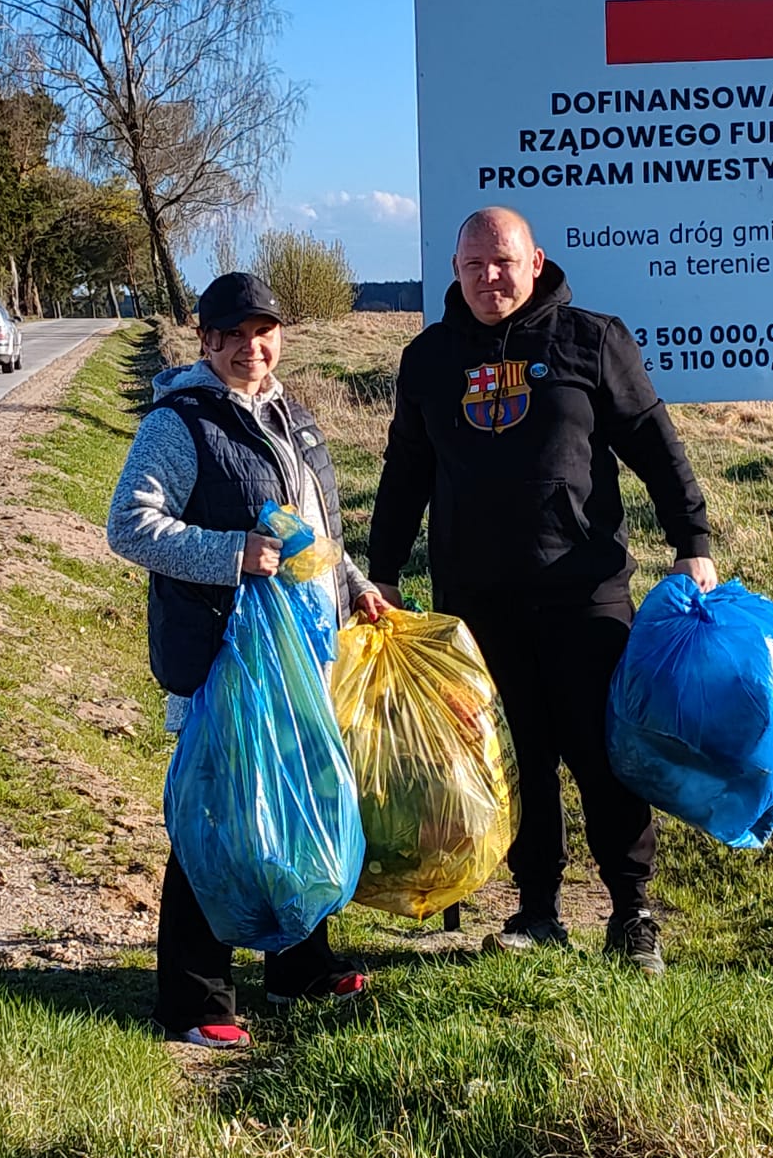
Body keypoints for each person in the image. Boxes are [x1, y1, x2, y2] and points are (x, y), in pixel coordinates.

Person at [366, 207, 717, 973]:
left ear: (536, 262)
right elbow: (405, 473)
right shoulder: (429, 360)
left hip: (584, 593)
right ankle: (537, 909)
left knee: (604, 754)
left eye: (503, 262)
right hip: (479, 603)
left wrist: (692, 542)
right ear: (454, 271)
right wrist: (382, 570)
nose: (489, 278)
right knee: (516, 758)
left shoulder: (593, 340)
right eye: (474, 265)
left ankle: (632, 911)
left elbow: (654, 443)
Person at [107, 271, 391, 1047]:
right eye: (230, 335)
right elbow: (129, 524)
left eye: (262, 332)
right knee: (218, 816)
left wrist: (356, 586)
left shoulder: (293, 418)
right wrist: (233, 552)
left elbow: (315, 534)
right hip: (223, 658)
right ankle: (194, 999)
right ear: (204, 340)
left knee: (300, 804)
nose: (249, 348)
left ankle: (299, 967)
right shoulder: (180, 423)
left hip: (302, 655)